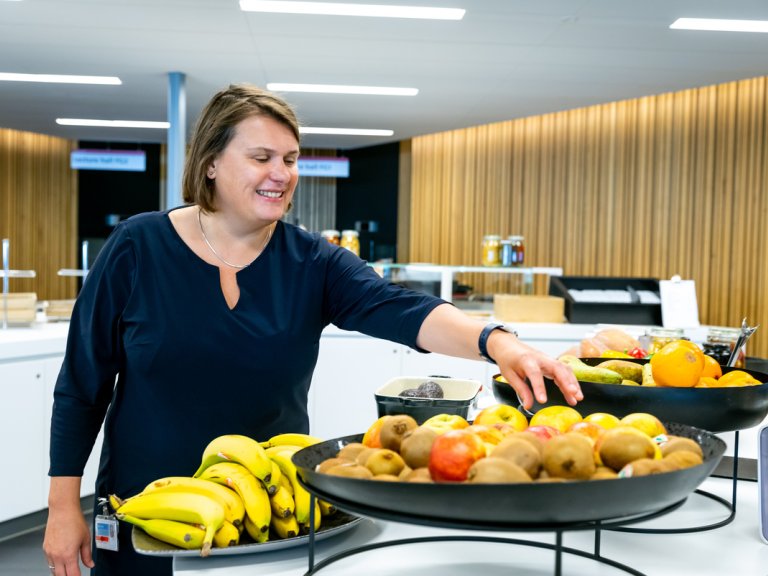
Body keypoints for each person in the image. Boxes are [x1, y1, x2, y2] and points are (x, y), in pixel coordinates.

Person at [42, 83, 581, 576]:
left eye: (291, 159)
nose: (282, 173)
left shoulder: (313, 262)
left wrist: (496, 342)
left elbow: (399, 307)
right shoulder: (138, 247)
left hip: (269, 513)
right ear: (210, 163)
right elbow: (81, 388)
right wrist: (63, 508)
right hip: (148, 509)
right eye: (261, 158)